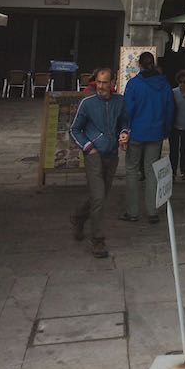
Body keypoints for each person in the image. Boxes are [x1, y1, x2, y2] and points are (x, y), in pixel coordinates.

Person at [69, 68, 129, 258]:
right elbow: (74, 129)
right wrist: (88, 147)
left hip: (111, 155)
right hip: (93, 155)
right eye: (99, 83)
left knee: (101, 196)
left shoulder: (120, 101)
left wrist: (124, 133)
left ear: (113, 83)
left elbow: (124, 121)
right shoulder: (87, 103)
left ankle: (79, 217)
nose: (102, 87)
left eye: (105, 83)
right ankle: (98, 240)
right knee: (98, 196)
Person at [122, 51, 175, 224]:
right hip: (156, 133)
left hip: (136, 132)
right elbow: (169, 109)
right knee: (152, 171)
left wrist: (125, 130)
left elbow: (127, 110)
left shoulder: (134, 84)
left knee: (131, 170)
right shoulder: (165, 84)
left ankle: (132, 211)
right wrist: (165, 130)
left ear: (140, 65)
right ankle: (151, 211)